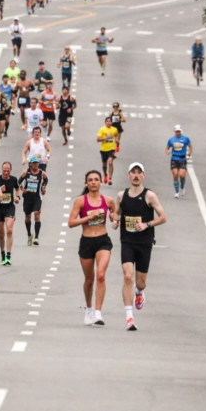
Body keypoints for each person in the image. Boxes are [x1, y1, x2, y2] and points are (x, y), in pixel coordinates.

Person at [112, 163, 167, 331]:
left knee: (140, 282)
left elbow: (163, 217)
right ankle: (129, 317)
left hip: (144, 242)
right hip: (127, 241)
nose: (136, 176)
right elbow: (117, 214)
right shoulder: (121, 196)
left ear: (143, 175)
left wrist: (147, 224)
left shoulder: (149, 196)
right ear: (128, 175)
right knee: (128, 276)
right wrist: (115, 220)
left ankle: (139, 292)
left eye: (139, 173)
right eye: (133, 173)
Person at [68, 170, 116, 326]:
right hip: (87, 242)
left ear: (101, 182)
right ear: (86, 183)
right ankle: (89, 308)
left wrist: (114, 220)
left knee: (101, 275)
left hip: (103, 241)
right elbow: (71, 222)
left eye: (96, 179)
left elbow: (115, 215)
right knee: (89, 280)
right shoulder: (81, 201)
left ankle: (98, 313)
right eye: (90, 180)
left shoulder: (108, 201)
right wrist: (88, 217)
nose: (94, 182)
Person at [0, 162, 20, 266]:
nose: (5, 173)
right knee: (1, 233)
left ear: (10, 170)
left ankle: (9, 255)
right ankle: (3, 254)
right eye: (4, 171)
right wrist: (0, 190)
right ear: (1, 170)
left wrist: (17, 197)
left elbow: (18, 189)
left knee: (9, 229)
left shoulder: (14, 180)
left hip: (9, 207)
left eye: (7, 171)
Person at [19, 156, 48, 246]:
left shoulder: (41, 173)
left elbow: (46, 180)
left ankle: (36, 237)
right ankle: (29, 235)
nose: (36, 164)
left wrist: (43, 187)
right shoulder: (26, 172)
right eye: (34, 163)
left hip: (37, 198)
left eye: (37, 163)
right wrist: (23, 189)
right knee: (28, 217)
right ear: (30, 164)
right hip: (27, 198)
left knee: (37, 214)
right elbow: (19, 182)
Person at [165, 125, 192, 198]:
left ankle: (182, 187)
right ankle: (176, 192)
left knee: (182, 175)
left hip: (182, 159)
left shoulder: (185, 139)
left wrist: (188, 154)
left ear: (181, 131)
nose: (178, 133)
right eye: (176, 131)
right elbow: (167, 147)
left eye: (179, 131)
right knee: (175, 174)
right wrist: (167, 151)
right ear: (174, 131)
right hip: (174, 158)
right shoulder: (171, 140)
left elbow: (190, 147)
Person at [96, 117, 119, 185]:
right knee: (104, 165)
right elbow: (97, 139)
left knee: (110, 162)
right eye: (107, 121)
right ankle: (105, 174)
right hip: (103, 149)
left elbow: (116, 134)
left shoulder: (114, 129)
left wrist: (117, 139)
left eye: (110, 121)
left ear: (112, 122)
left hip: (111, 149)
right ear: (105, 122)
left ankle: (110, 178)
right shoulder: (102, 130)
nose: (108, 122)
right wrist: (106, 138)